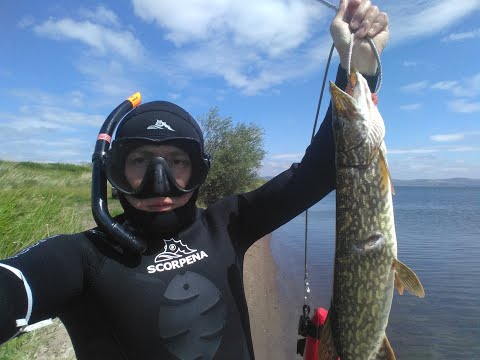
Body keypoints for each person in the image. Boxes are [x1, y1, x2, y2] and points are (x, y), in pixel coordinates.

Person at [0, 1, 389, 359]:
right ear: (113, 171)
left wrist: (360, 66)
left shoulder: (227, 224)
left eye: (176, 161)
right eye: (140, 161)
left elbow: (318, 172)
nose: (160, 181)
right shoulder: (82, 258)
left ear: (198, 170)